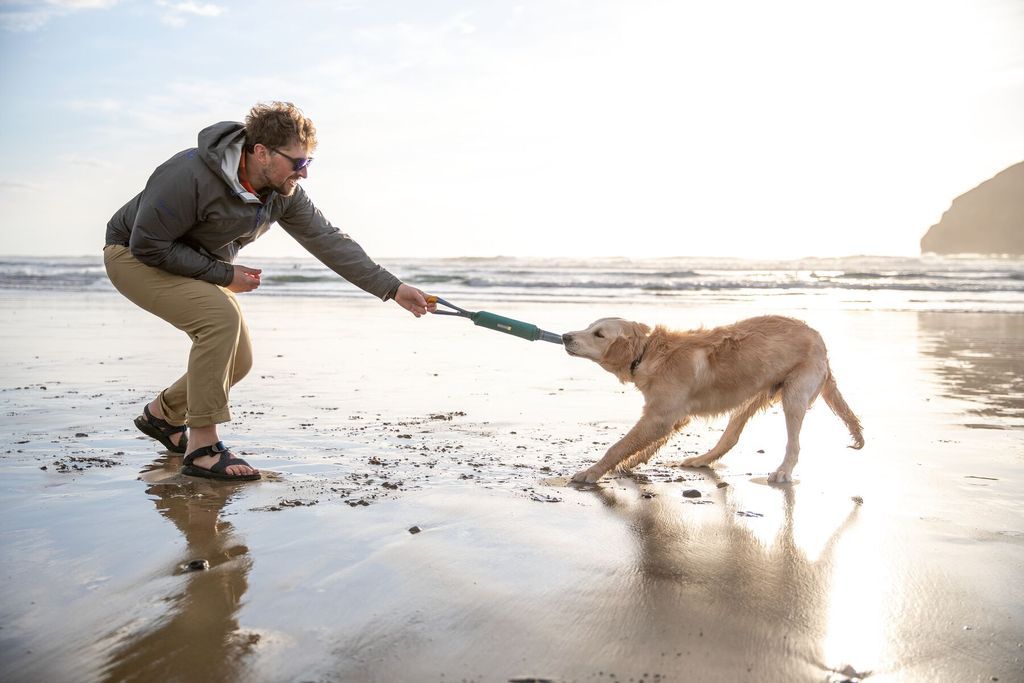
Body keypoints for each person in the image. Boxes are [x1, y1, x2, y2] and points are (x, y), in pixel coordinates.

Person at [104, 101, 435, 481]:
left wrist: (392, 288)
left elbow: (328, 240)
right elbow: (149, 244)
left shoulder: (283, 192)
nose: (305, 173)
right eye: (297, 162)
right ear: (261, 152)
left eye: (309, 162)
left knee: (238, 361)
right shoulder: (189, 172)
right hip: (132, 255)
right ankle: (202, 449)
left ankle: (163, 415)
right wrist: (224, 273)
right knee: (219, 319)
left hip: (191, 262)